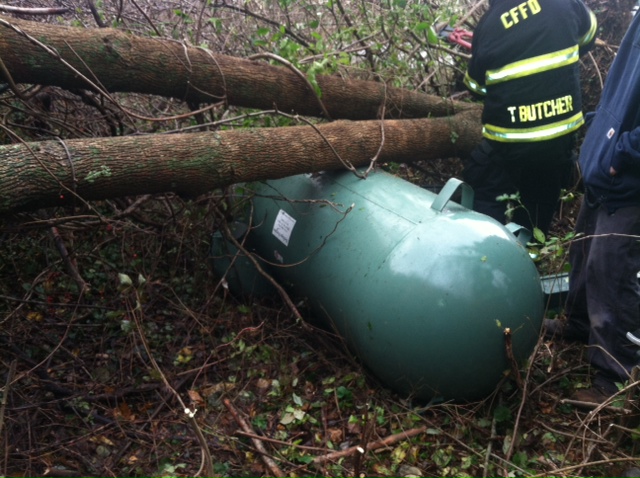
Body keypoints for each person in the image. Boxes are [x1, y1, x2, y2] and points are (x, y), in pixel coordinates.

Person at [544, 11, 640, 404]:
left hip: (631, 176)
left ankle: (614, 378)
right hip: (609, 165)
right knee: (584, 251)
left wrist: (623, 152)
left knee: (612, 269)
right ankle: (579, 324)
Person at [463, 0, 597, 235]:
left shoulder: (489, 24)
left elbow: (476, 87)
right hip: (557, 140)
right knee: (539, 204)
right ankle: (529, 256)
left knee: (484, 183)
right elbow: (588, 35)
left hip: (507, 142)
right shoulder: (563, 3)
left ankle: (484, 248)